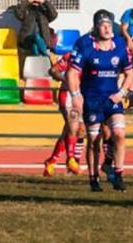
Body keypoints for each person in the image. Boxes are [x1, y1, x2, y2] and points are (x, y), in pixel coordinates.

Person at [69, 10, 133, 193]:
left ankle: (118, 172)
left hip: (112, 98)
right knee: (94, 139)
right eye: (102, 25)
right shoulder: (85, 44)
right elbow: (72, 72)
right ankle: (93, 179)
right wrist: (76, 95)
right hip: (92, 98)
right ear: (96, 27)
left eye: (109, 25)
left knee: (119, 133)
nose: (106, 28)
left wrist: (121, 92)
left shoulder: (120, 45)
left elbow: (130, 73)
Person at [43, 48, 83, 177]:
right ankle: (71, 159)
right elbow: (53, 70)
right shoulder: (71, 56)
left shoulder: (94, 58)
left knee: (72, 129)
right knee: (73, 125)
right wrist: (66, 80)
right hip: (68, 96)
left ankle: (51, 161)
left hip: (82, 96)